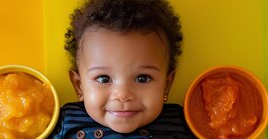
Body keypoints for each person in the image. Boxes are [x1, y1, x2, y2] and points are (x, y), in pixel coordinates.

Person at [49, 0, 194, 138]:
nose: (123, 95)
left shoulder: (182, 123)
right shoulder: (66, 121)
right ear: (79, 86)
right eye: (103, 78)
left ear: (166, 85)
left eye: (142, 78)